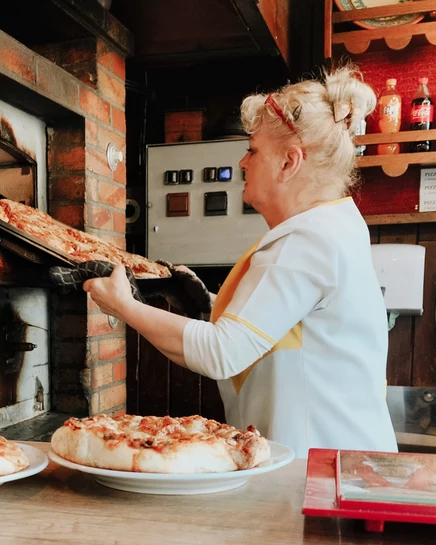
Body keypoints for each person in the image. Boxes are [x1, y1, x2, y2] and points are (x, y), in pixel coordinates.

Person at [84, 65, 397, 458]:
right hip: (336, 462)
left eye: (253, 150)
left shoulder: (309, 241)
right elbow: (287, 330)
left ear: (289, 162)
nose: (243, 163)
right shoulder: (328, 229)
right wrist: (212, 306)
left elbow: (221, 353)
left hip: (318, 472)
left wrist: (124, 307)